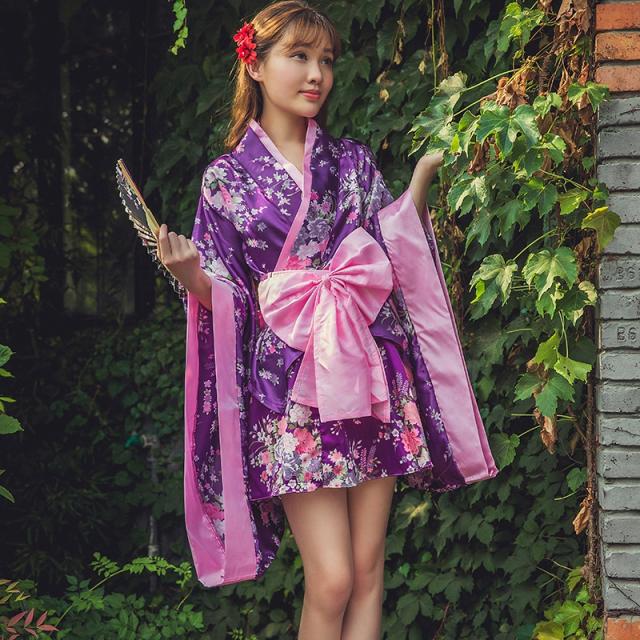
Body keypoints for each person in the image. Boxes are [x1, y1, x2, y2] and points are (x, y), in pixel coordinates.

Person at [157, 1, 498, 638]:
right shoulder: (224, 181)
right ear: (254, 64)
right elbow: (229, 296)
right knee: (333, 578)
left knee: (368, 572)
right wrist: (191, 277)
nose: (316, 74)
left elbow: (387, 251)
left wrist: (417, 189)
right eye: (299, 56)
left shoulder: (352, 162)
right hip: (288, 389)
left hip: (368, 373)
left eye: (326, 60)